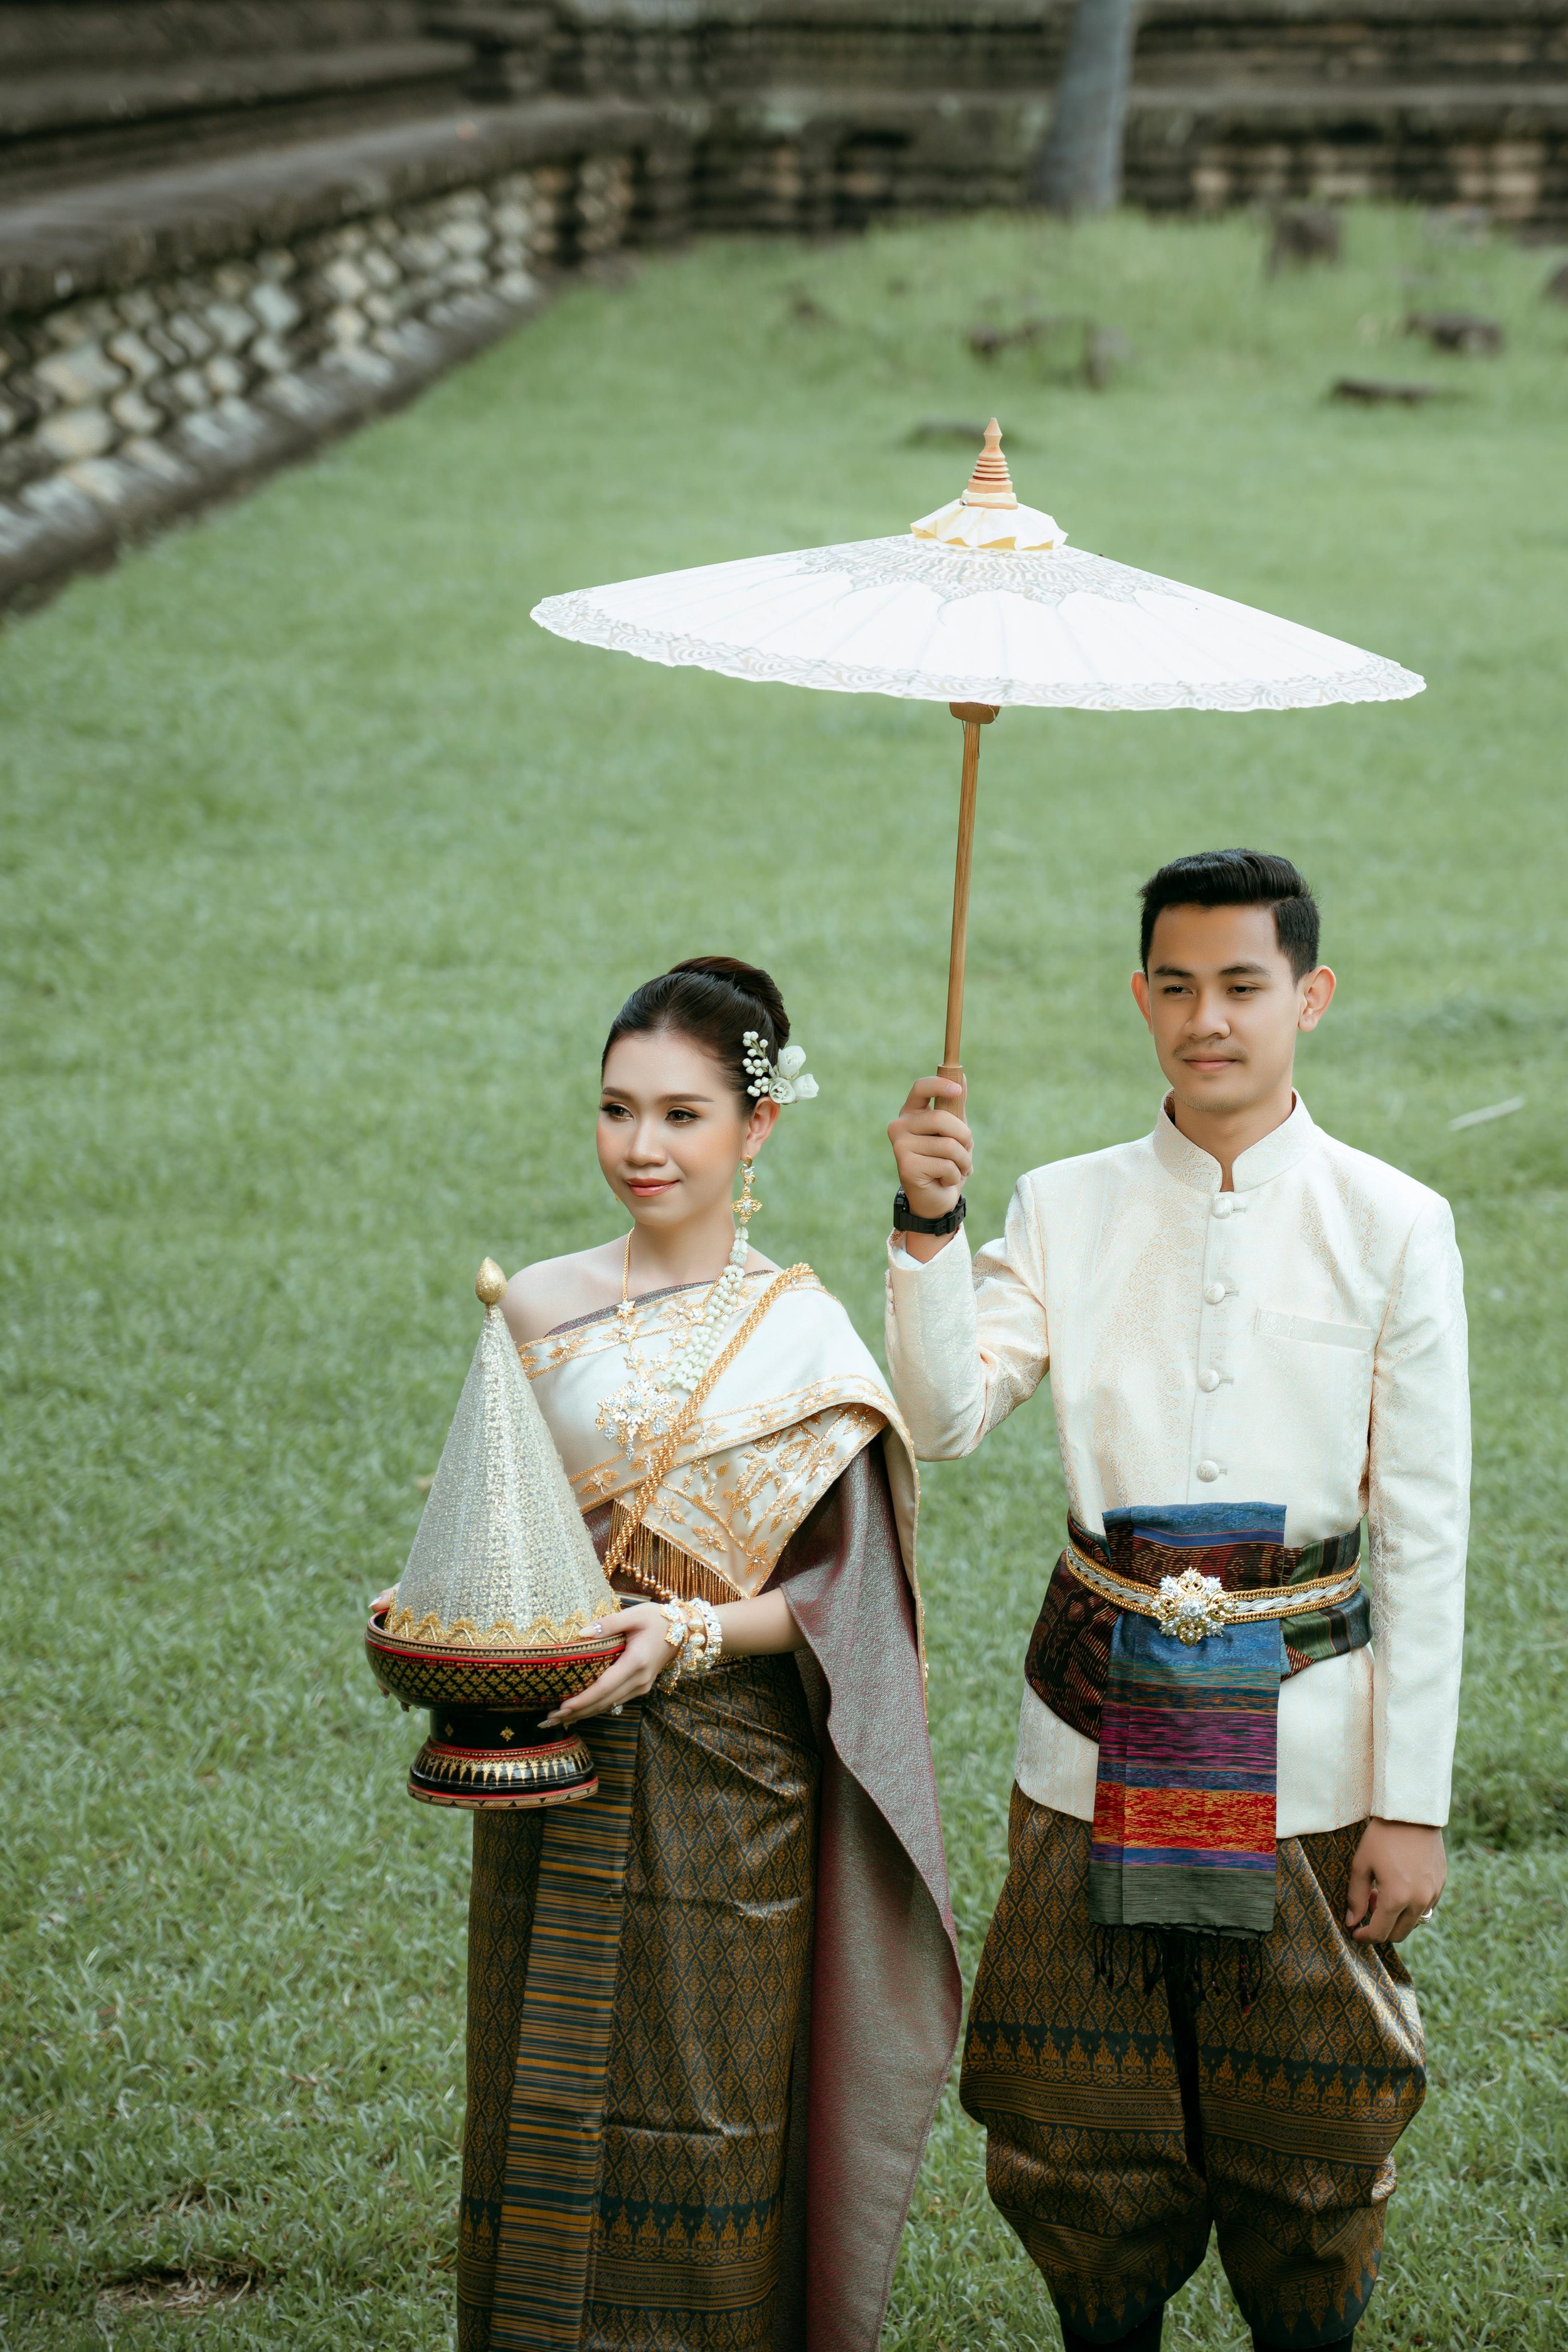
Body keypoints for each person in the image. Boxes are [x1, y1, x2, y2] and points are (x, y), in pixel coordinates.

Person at [882, 851, 1468, 2352]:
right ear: (1139, 996)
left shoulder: (1392, 1221)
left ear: (1307, 998)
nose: (1206, 1018)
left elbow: (1422, 1530)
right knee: (1077, 2128)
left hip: (1314, 1748)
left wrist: (1409, 1801)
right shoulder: (1062, 1206)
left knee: (1312, 2131)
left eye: (1242, 986)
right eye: (1175, 986)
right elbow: (941, 1417)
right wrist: (927, 1225)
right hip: (1090, 1735)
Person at [457, 955, 960, 2352]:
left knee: (707, 2121)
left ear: (756, 1130)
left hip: (733, 1796)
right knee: (539, 2095)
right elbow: (490, 1536)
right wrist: (444, 1613)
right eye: (617, 1110)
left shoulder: (801, 1339)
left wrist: (682, 1630)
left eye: (680, 1115)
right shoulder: (533, 1305)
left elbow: (848, 1602)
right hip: (550, 1771)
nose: (639, 1146)